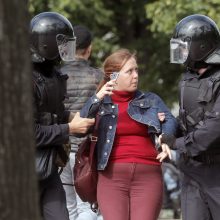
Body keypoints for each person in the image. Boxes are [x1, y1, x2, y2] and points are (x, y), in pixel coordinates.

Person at [80, 49, 178, 220]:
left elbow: (170, 120)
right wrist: (97, 97)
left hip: (147, 175)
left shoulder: (150, 99)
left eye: (136, 70)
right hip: (111, 177)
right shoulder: (101, 103)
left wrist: (166, 138)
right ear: (114, 76)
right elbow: (81, 122)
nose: (135, 76)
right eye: (129, 71)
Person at [30, 12, 95, 220]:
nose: (68, 50)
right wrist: (70, 129)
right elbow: (29, 133)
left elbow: (51, 114)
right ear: (47, 44)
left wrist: (71, 116)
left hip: (47, 170)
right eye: (63, 43)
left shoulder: (54, 75)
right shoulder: (21, 79)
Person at [160, 14, 220, 220]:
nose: (180, 51)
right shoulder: (187, 78)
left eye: (184, 45)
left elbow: (214, 127)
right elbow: (186, 119)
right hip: (191, 170)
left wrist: (177, 143)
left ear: (201, 47)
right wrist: (166, 128)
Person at [60, 25, 102, 220]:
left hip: (60, 150)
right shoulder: (99, 77)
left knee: (68, 207)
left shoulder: (56, 77)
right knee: (87, 206)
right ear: (89, 48)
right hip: (87, 152)